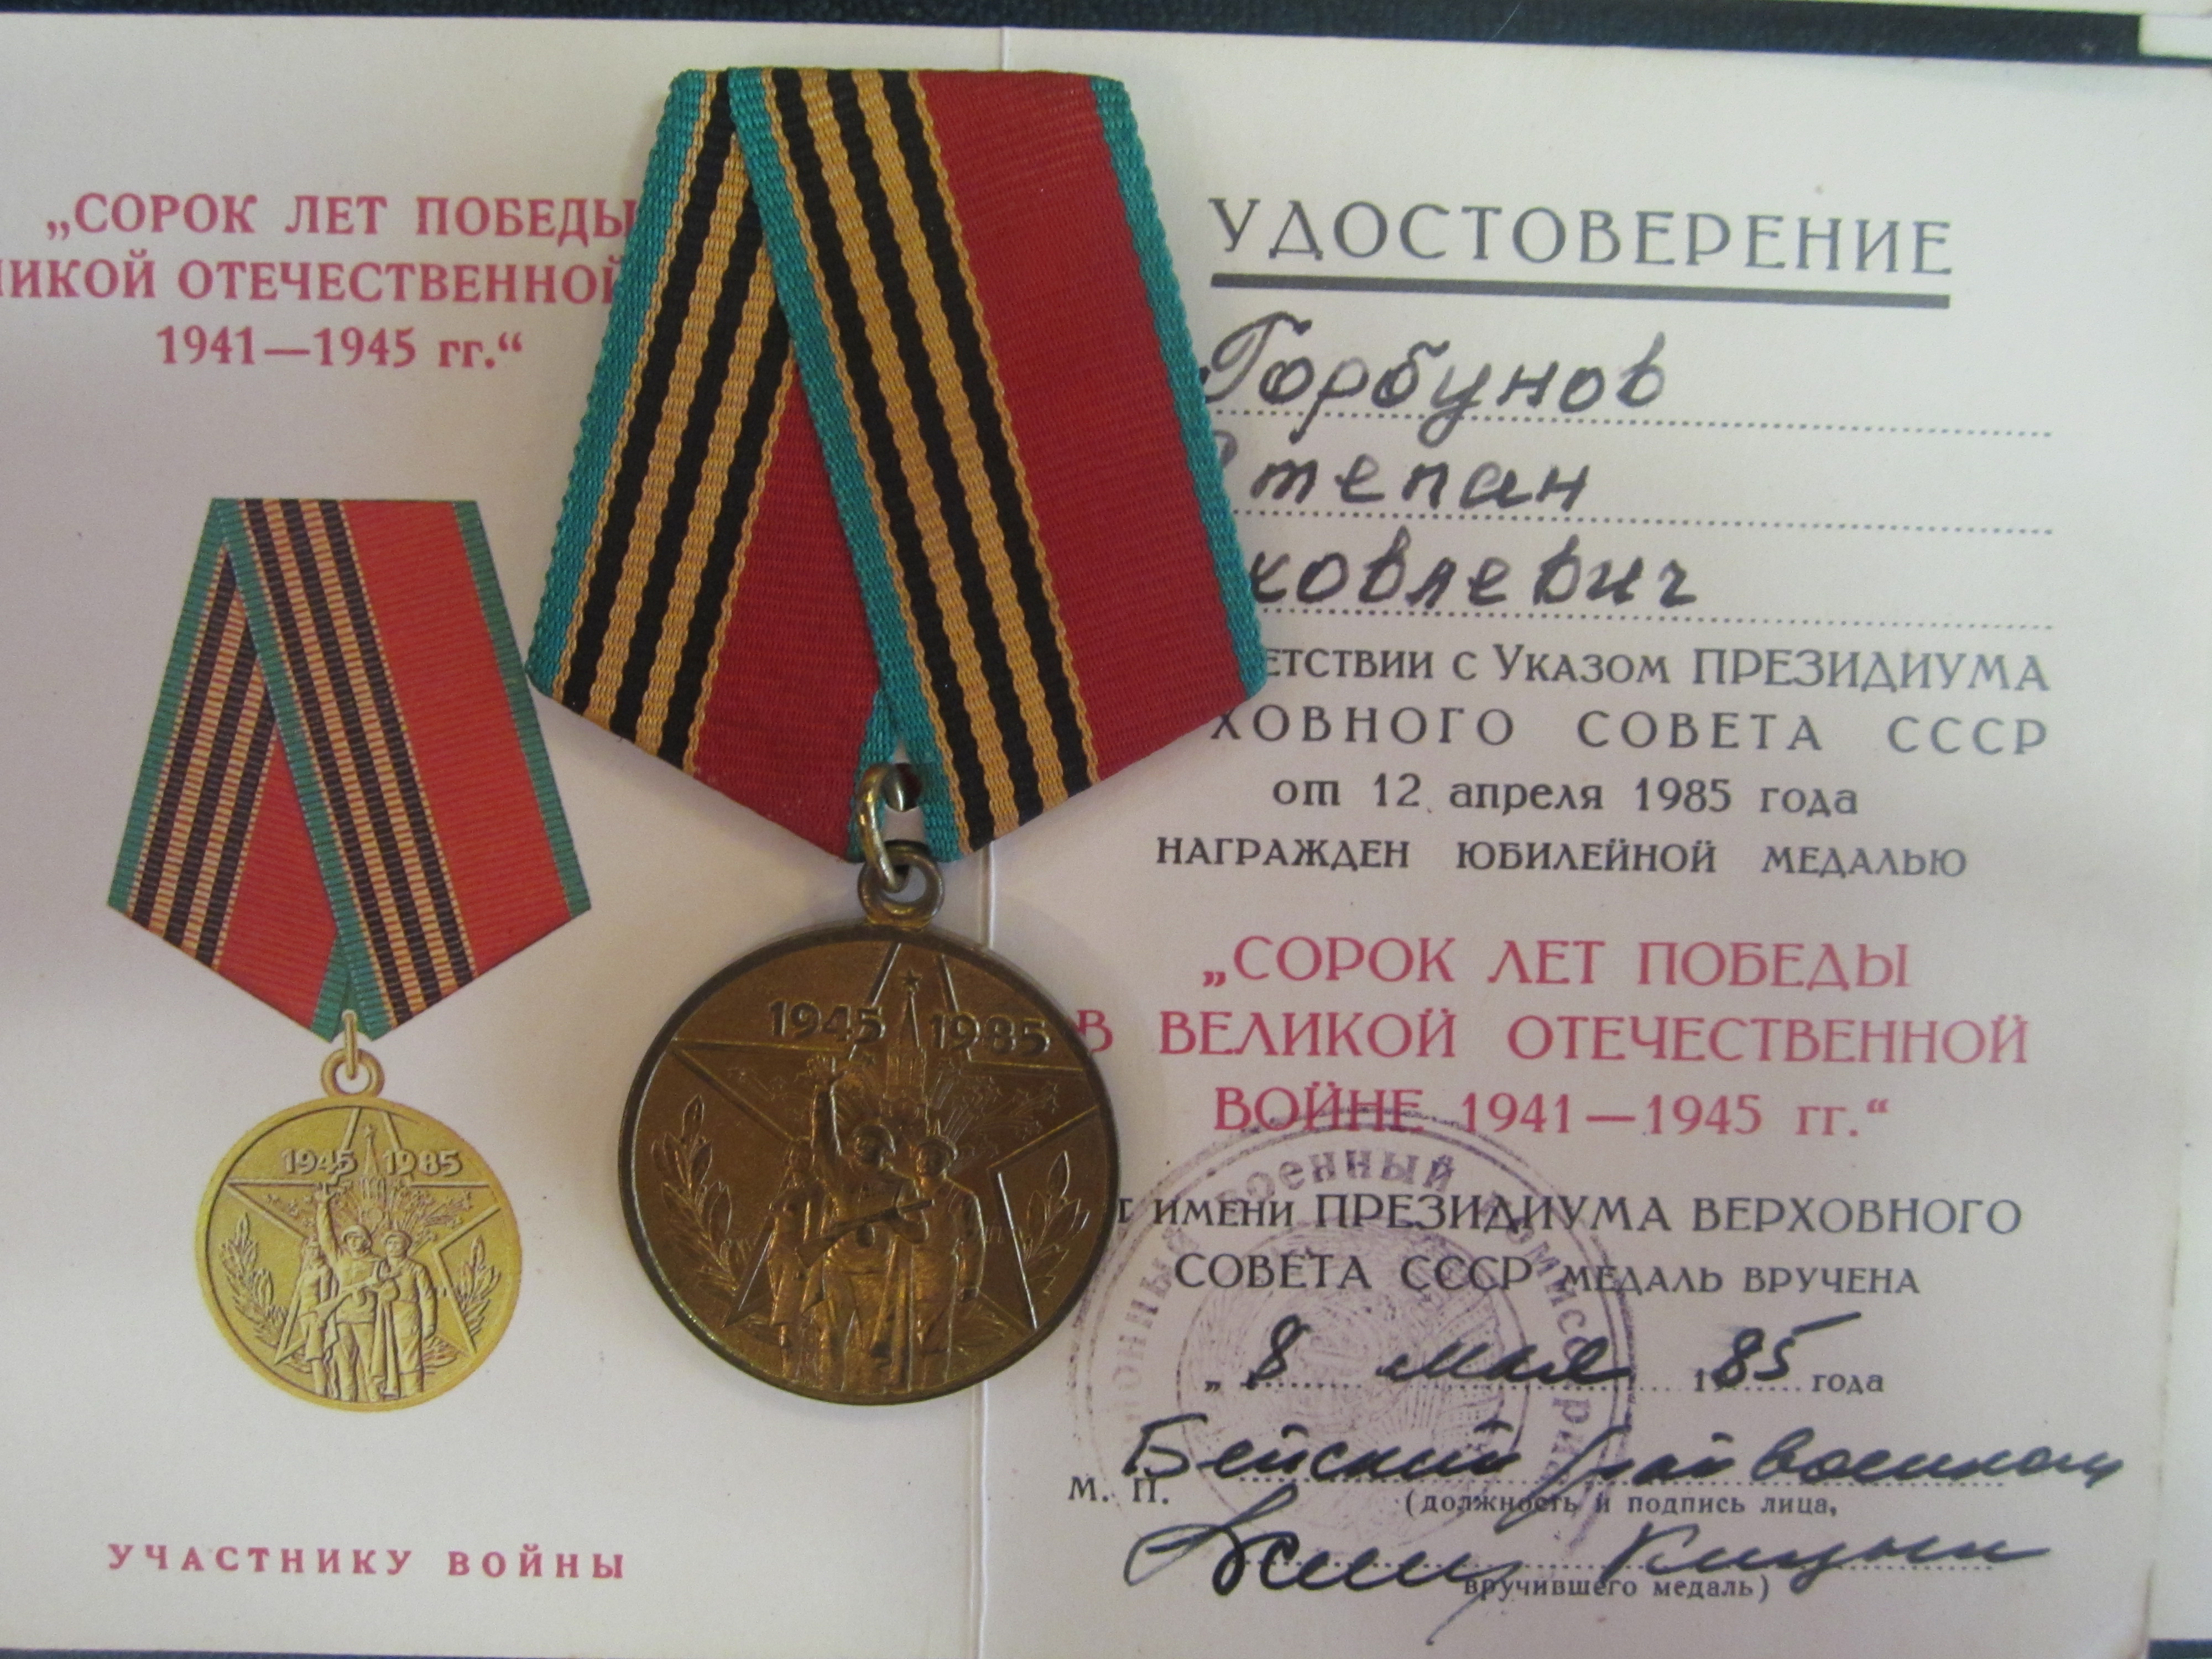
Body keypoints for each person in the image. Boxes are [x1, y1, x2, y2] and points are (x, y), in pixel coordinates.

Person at [896, 1136, 985, 1390]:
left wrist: (970, 1283)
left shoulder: (961, 1197)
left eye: (934, 1156)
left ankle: (932, 1384)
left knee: (934, 1334)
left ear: (946, 1162)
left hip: (938, 1269)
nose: (926, 1161)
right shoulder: (904, 1193)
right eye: (922, 1156)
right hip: (903, 1269)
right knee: (902, 1332)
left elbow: (973, 1242)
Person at [311, 1189, 382, 1403]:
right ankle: (347, 1400)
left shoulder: (377, 1263)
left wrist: (372, 1286)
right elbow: (326, 1238)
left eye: (357, 1238)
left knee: (371, 1363)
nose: (352, 1242)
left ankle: (375, 1400)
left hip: (366, 1318)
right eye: (349, 1238)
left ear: (366, 1242)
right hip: (343, 1317)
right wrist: (323, 1207)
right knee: (344, 1364)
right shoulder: (340, 1259)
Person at [373, 1229, 437, 1399]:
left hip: (407, 1313)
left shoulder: (416, 1269)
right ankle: (389, 1389)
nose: (393, 1247)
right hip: (383, 1314)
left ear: (406, 1246)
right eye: (390, 1243)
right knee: (385, 1352)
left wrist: (429, 1323)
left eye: (398, 1243)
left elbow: (427, 1296)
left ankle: (413, 1392)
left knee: (409, 1354)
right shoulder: (379, 1268)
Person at [274, 1236, 338, 1396]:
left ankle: (321, 1392)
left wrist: (321, 1318)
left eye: (317, 1248)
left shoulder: (324, 1270)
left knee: (316, 1355)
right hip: (303, 1316)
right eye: (310, 1248)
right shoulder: (305, 1273)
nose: (314, 1252)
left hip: (315, 1315)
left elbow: (325, 1296)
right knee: (312, 1355)